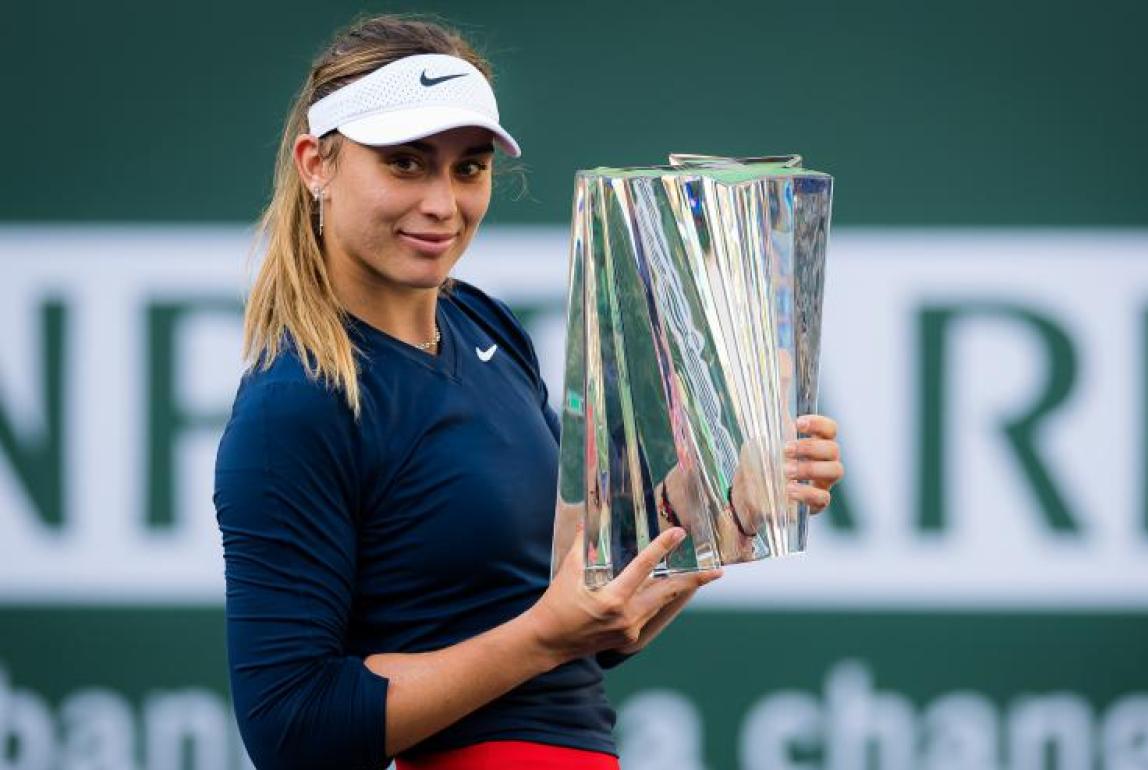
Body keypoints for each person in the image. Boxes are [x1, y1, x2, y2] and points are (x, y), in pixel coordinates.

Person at [214, 14, 844, 770]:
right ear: (317, 163)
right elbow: (291, 726)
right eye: (405, 164)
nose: (443, 203)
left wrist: (732, 505)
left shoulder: (484, 322)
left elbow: (594, 618)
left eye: (468, 167)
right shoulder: (296, 403)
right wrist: (546, 633)